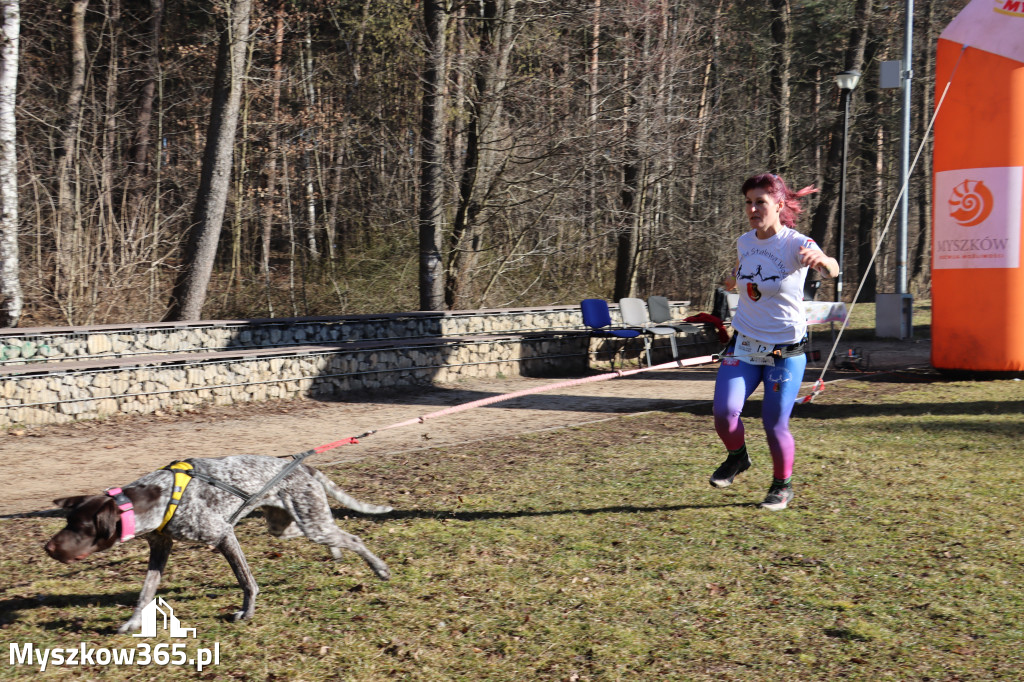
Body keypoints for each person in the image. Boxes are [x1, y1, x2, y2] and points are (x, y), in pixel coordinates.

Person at [709, 172, 838, 510]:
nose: (753, 208)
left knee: (774, 423)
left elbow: (832, 267)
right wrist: (731, 281)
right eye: (749, 202)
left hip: (785, 351)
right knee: (724, 413)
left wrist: (823, 263)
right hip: (745, 345)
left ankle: (782, 484)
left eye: (760, 202)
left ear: (778, 205)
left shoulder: (797, 243)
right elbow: (743, 275)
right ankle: (737, 457)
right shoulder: (745, 242)